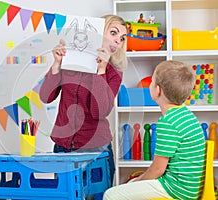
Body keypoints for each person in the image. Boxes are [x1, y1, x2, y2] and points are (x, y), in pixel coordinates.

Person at [39, 14, 128, 190]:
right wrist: (56, 65)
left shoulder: (114, 71)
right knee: (66, 194)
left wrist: (101, 71)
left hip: (96, 149)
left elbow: (100, 112)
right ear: (97, 32)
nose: (118, 40)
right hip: (63, 147)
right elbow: (46, 96)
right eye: (113, 33)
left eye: (122, 38)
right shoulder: (71, 60)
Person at [103, 60, 206, 200]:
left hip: (175, 189)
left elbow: (158, 169)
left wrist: (139, 180)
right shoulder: (186, 115)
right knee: (132, 184)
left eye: (151, 81)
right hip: (188, 188)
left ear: (157, 90)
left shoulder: (168, 122)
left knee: (110, 195)